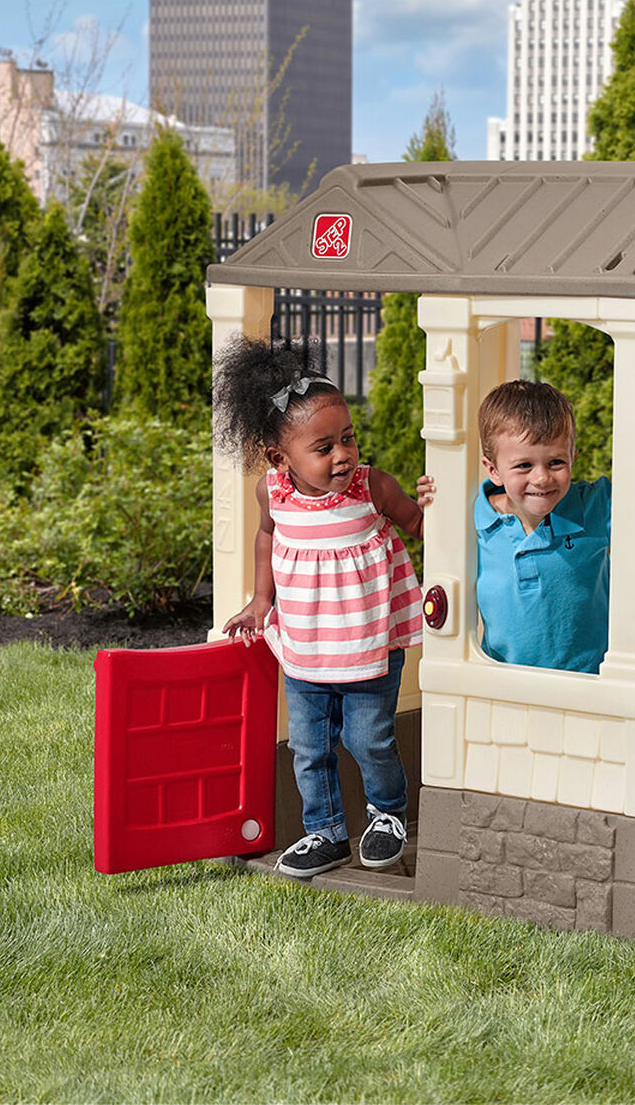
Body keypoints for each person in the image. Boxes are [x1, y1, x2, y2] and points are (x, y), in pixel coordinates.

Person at [214, 336, 435, 878]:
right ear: (280, 458)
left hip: (368, 641)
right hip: (305, 644)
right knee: (309, 747)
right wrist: (260, 600)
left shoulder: (371, 487)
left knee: (368, 738)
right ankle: (326, 832)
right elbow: (267, 537)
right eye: (324, 447)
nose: (343, 454)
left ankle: (387, 815)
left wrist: (440, 503)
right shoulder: (272, 493)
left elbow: (419, 524)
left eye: (348, 438)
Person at [475, 380, 611, 674]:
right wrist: (431, 500)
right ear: (493, 470)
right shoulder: (473, 518)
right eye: (524, 465)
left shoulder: (595, 505)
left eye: (556, 462)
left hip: (589, 685)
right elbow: (427, 527)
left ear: (573, 457)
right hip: (502, 685)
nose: (542, 478)